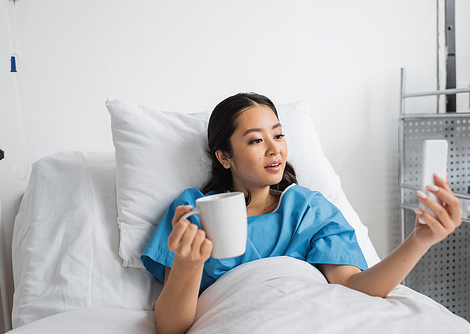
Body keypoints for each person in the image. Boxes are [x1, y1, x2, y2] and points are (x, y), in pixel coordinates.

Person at [141, 92, 462, 334]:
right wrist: (188, 263)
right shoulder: (194, 212)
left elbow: (355, 287)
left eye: (278, 135)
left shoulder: (309, 207)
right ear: (224, 157)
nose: (274, 149)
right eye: (256, 140)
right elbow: (171, 328)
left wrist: (419, 240)